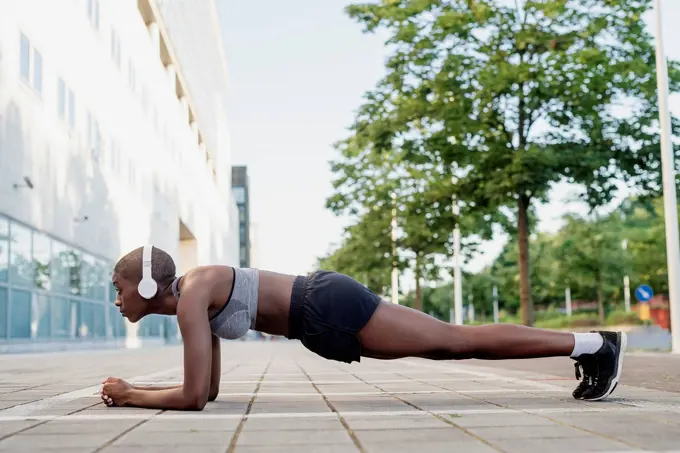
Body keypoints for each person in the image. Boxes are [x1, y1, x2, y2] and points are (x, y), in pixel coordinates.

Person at [100, 245, 626, 410]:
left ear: (147, 287)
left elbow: (192, 397)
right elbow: (209, 390)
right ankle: (591, 346)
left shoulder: (193, 295)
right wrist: (141, 392)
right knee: (449, 345)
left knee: (453, 341)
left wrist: (130, 395)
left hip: (326, 305)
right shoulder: (195, 299)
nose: (117, 299)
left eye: (120, 288)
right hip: (321, 314)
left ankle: (594, 343)